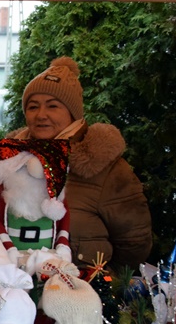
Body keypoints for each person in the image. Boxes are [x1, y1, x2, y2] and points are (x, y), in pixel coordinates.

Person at [11, 56, 151, 272]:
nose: (41, 115)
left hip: (83, 294)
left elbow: (134, 242)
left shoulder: (105, 166)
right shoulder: (11, 161)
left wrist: (103, 284)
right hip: (17, 292)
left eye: (53, 106)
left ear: (72, 113)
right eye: (33, 106)